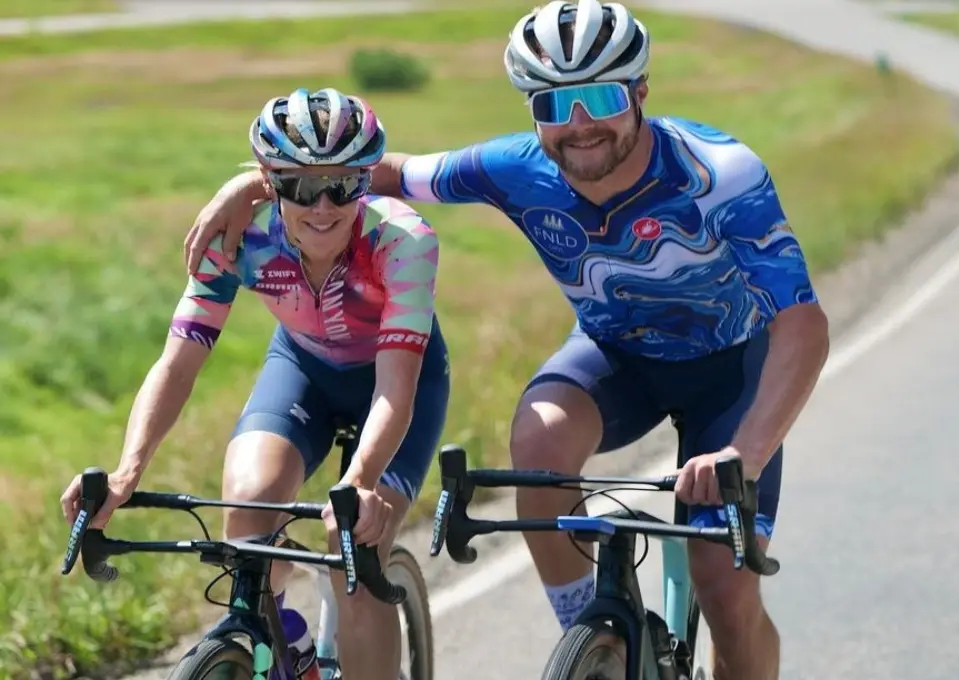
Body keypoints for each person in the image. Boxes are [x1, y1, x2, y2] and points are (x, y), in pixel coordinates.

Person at [184, 2, 829, 678]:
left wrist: (744, 453)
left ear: (641, 93)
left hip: (733, 371)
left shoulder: (721, 174)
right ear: (532, 110)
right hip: (618, 358)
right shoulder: (514, 167)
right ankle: (595, 645)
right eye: (555, 104)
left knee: (725, 590)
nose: (579, 125)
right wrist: (252, 186)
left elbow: (803, 325)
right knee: (537, 440)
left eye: (601, 97)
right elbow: (369, 171)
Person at [63, 87, 450, 680]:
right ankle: (284, 646)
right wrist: (126, 472)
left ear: (366, 182)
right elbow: (178, 362)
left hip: (401, 387)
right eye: (299, 186)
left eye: (343, 185)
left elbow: (395, 388)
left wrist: (360, 482)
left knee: (357, 559)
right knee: (247, 509)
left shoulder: (403, 242)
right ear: (269, 182)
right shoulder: (238, 239)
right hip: (304, 373)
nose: (322, 206)